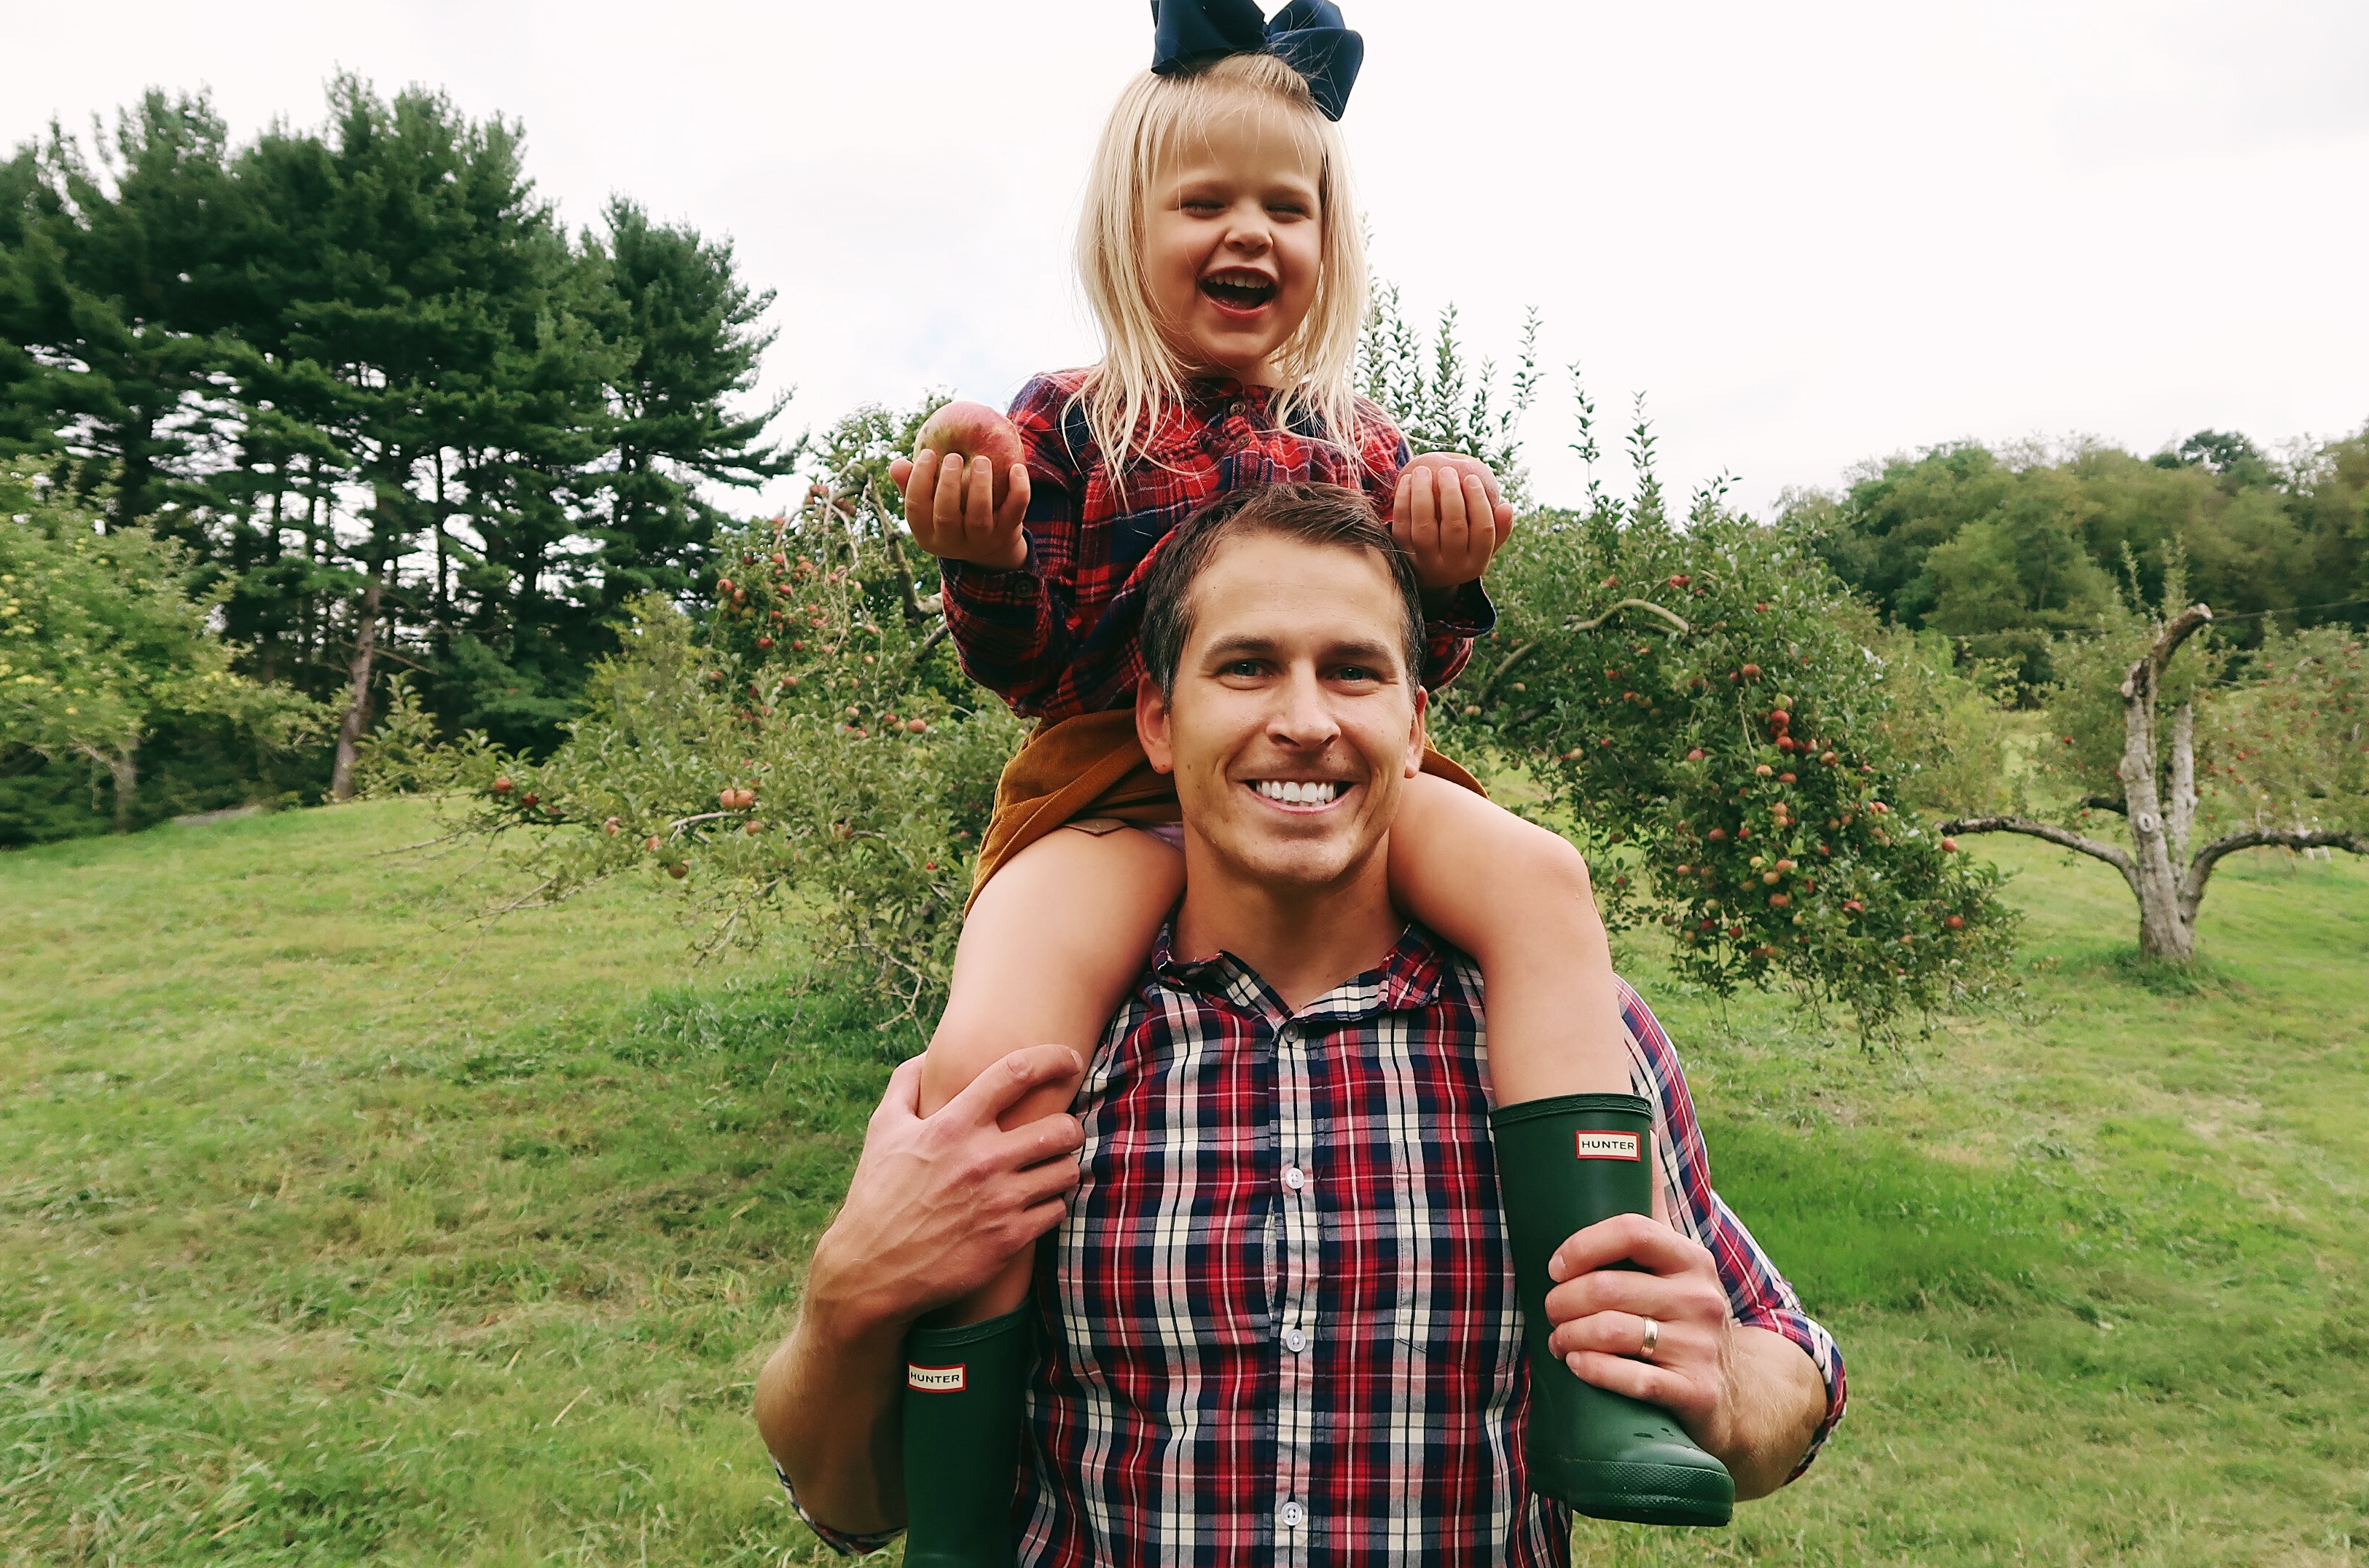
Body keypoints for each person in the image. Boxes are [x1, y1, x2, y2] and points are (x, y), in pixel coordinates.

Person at [882, 0, 1641, 1553]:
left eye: (1288, 209)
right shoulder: (1070, 423)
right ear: (1128, 237)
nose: (1251, 233)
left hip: (1337, 791)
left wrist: (1443, 563)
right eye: (1206, 204)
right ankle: (950, 1479)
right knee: (1002, 1041)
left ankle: (1606, 1373)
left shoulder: (1366, 441)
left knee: (1541, 880)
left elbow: (1394, 681)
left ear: (1330, 244)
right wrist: (982, 548)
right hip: (1112, 782)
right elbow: (1023, 669)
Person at [756, 484, 1847, 1565]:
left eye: (1355, 672)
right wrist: (845, 1297)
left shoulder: (1558, 1032)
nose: (1307, 720)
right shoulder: (1044, 1053)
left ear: (1415, 726)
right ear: (1155, 721)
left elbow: (1792, 1374)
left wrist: (1727, 1383)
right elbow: (854, 1508)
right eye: (1246, 666)